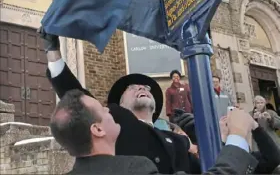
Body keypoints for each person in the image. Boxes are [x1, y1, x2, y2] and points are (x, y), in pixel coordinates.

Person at [40, 28, 255, 174]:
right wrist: (53, 53)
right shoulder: (117, 125)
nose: (141, 87)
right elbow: (77, 100)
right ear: (115, 108)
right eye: (132, 88)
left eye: (145, 87)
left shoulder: (178, 140)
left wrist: (220, 138)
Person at [52, 88, 258, 175]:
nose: (109, 110)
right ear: (97, 129)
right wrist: (238, 135)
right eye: (103, 109)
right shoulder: (134, 169)